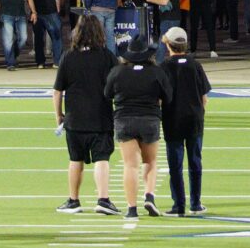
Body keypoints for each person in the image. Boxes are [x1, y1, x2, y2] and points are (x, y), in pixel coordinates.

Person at [53, 13, 120, 214]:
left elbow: (57, 91)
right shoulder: (107, 56)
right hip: (101, 117)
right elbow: (118, 86)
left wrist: (59, 115)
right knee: (102, 159)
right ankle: (103, 199)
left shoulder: (68, 55)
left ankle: (73, 201)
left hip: (75, 119)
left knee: (75, 160)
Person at [108, 32, 171, 220]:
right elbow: (168, 97)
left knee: (130, 165)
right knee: (150, 162)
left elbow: (106, 93)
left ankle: (131, 208)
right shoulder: (157, 72)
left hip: (124, 119)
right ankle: (149, 195)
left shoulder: (117, 71)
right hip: (150, 119)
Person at [161, 26, 212, 216]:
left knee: (175, 164)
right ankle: (195, 203)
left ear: (169, 44)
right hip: (194, 120)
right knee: (195, 161)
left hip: (172, 119)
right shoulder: (195, 65)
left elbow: (160, 97)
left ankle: (178, 205)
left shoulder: (164, 66)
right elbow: (204, 98)